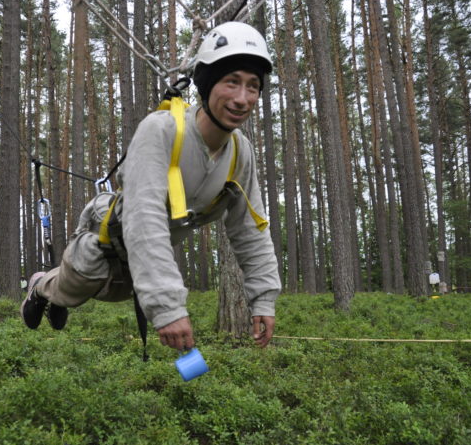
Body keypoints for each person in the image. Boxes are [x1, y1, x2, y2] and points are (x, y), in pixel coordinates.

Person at [21, 22, 281, 350]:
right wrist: (168, 306)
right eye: (232, 82)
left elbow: (250, 229)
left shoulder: (240, 152)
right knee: (71, 290)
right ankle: (41, 287)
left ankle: (56, 292)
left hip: (142, 260)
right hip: (104, 241)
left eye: (253, 86)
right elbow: (144, 217)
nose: (242, 99)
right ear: (208, 83)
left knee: (113, 294)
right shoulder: (161, 130)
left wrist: (263, 299)